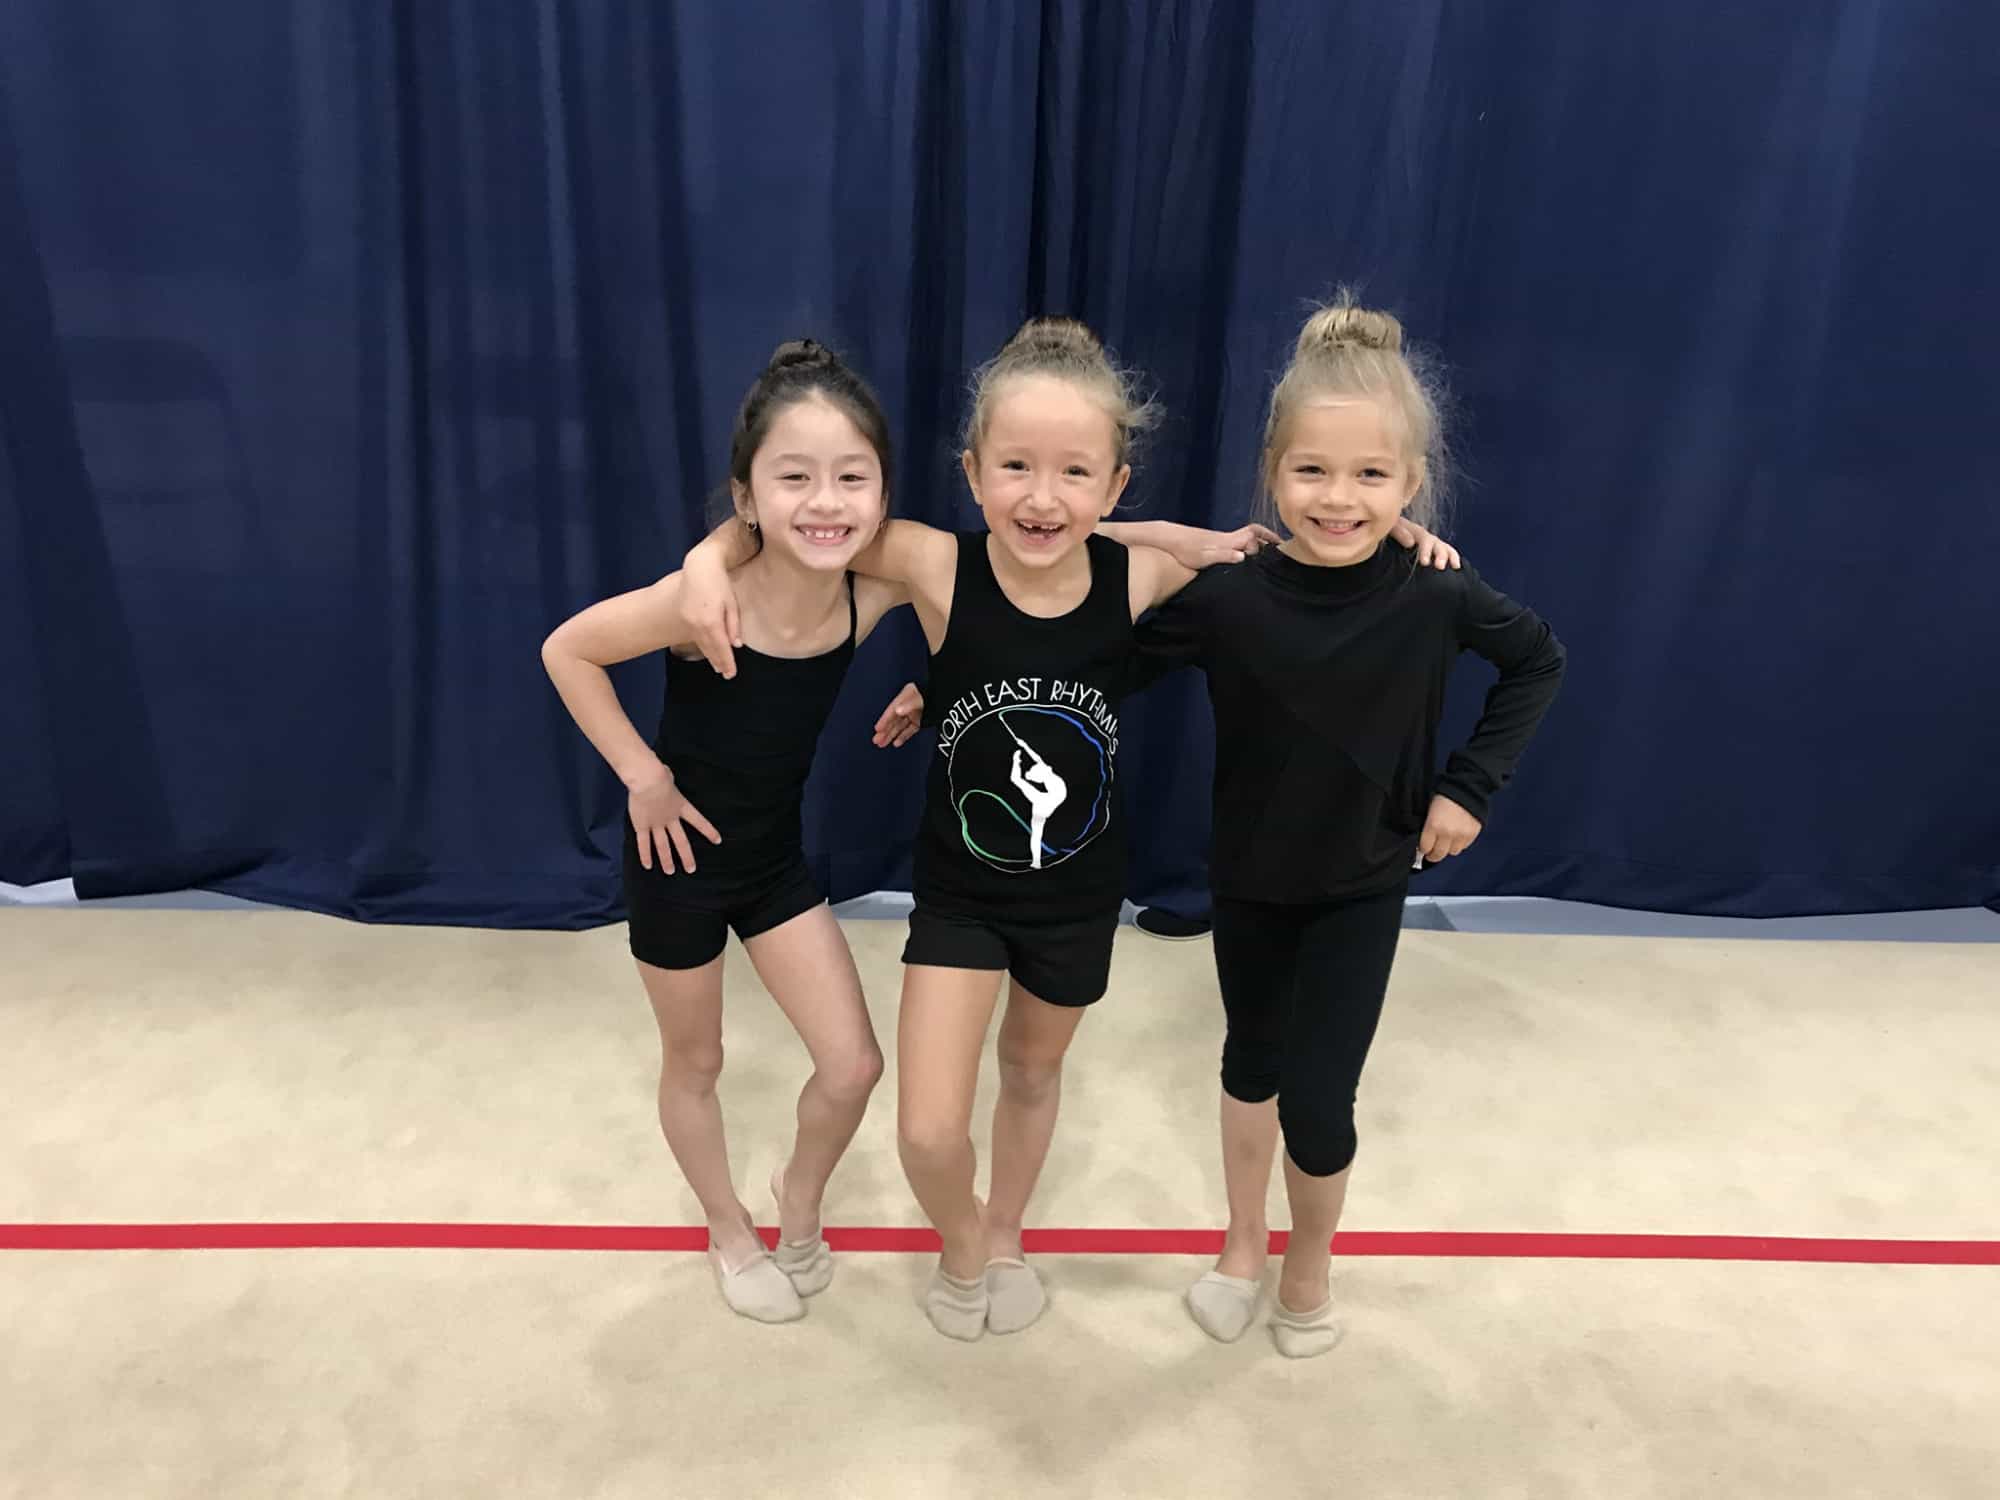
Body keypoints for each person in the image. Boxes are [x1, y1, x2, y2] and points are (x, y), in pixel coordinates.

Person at [681, 317, 1457, 1340]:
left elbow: (1307, 551)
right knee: (927, 1130)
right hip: (960, 896)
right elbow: (801, 523)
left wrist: (1399, 535)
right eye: (1014, 466)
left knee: (1031, 1073)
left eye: (1074, 473)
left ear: (1114, 486)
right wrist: (708, 556)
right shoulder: (933, 563)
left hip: (1077, 897)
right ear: (970, 472)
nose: (1041, 497)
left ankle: (1003, 1236)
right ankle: (965, 1243)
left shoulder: (1141, 575)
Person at [1130, 293, 1564, 1357]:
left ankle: (1308, 1264)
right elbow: (1080, 630)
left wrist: (1467, 789)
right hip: (1246, 878)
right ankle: (1242, 1243)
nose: (1337, 497)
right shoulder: (1228, 594)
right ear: (1271, 473)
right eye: (1311, 471)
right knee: (1249, 1064)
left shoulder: (1434, 593)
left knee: (1321, 1100)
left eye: (1370, 475)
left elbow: (1535, 661)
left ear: (1411, 484)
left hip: (1361, 885)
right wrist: (1168, 541)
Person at [539, 341, 923, 1324]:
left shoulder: (871, 587)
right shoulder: (703, 600)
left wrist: (1172, 539)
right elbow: (568, 650)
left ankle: (799, 1195)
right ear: (746, 497)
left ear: (883, 492)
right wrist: (643, 777)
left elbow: (1024, 547)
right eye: (794, 478)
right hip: (676, 869)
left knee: (853, 1065)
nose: (825, 501)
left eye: (851, 477)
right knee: (697, 1063)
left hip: (771, 863)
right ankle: (727, 1229)